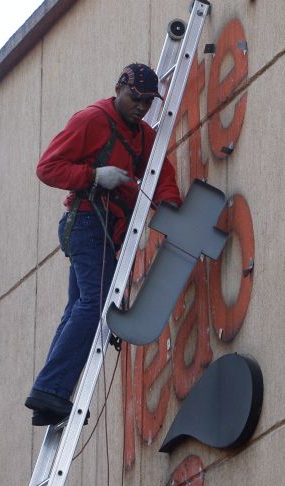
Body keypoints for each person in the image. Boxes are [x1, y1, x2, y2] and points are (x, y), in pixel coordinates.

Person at [25, 63, 182, 426]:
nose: (141, 106)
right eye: (135, 98)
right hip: (85, 222)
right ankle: (51, 390)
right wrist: (94, 175)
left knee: (79, 308)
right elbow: (47, 167)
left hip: (104, 230)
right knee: (94, 304)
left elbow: (162, 177)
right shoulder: (91, 120)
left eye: (147, 101)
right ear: (118, 89)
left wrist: (171, 210)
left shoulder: (143, 137)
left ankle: (49, 395)